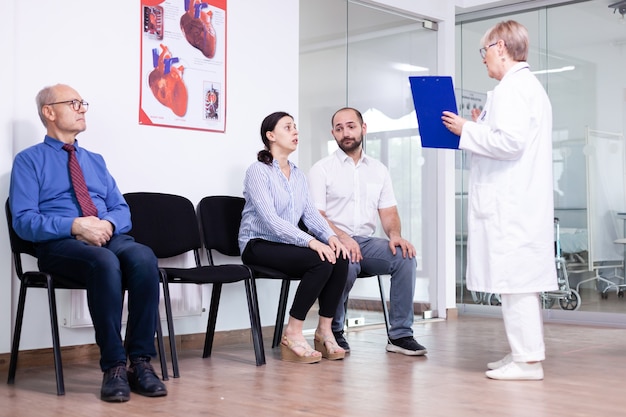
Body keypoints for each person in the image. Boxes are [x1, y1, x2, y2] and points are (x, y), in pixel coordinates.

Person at [9, 84, 167, 401]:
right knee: (105, 263)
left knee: (143, 257)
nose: (83, 108)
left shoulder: (95, 160)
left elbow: (122, 209)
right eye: (74, 103)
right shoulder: (28, 161)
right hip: (60, 245)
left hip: (107, 236)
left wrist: (106, 224)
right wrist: (75, 225)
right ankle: (113, 366)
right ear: (49, 112)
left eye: (83, 103)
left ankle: (139, 362)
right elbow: (23, 220)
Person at [441, 20, 557, 381]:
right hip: (516, 202)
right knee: (515, 282)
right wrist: (481, 127)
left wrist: (467, 130)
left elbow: (510, 144)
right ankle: (523, 353)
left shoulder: (513, 89)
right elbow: (508, 139)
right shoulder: (523, 88)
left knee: (516, 282)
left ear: (501, 48)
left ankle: (527, 361)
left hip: (512, 206)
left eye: (484, 51)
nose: (483, 60)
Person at [308, 107, 427, 356]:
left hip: (366, 242)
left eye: (351, 126)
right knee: (345, 263)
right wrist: (343, 238)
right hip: (333, 241)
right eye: (339, 129)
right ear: (333, 134)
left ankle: (400, 335)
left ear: (363, 129)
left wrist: (395, 235)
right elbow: (316, 217)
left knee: (405, 257)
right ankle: (333, 331)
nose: (345, 133)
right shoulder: (322, 169)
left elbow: (389, 212)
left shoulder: (379, 170)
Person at [238, 111, 349, 364]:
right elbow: (271, 221)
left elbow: (311, 215)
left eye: (296, 127)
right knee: (320, 261)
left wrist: (331, 237)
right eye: (288, 127)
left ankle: (324, 330)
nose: (295, 132)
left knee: (339, 256)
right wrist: (311, 241)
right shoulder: (258, 171)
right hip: (258, 244)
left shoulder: (298, 175)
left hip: (286, 244)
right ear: (271, 135)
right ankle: (293, 333)